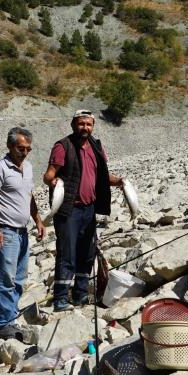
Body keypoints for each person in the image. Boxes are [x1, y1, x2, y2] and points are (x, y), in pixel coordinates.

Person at [43, 109, 124, 311]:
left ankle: (80, 295)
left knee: (87, 254)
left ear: (93, 126)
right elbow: (48, 175)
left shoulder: (96, 147)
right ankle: (61, 298)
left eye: (88, 124)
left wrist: (121, 182)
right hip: (69, 210)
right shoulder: (63, 146)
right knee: (67, 254)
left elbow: (103, 175)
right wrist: (53, 181)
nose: (85, 128)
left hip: (89, 209)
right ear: (73, 124)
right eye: (81, 124)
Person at [0, 127, 45, 337]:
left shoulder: (27, 167)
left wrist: (38, 220)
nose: (25, 152)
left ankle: (10, 315)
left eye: (28, 148)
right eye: (21, 148)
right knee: (6, 279)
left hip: (22, 231)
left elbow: (29, 196)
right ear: (10, 146)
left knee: (19, 278)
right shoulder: (0, 168)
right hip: (6, 232)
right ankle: (2, 323)